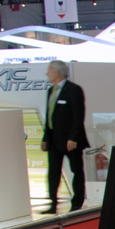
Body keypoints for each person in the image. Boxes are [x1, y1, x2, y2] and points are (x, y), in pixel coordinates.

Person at [39, 59, 88, 214]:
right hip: (54, 140)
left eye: (49, 70)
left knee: (76, 170)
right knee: (53, 171)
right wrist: (45, 138)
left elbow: (78, 116)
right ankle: (53, 203)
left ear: (57, 72)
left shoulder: (73, 90)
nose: (47, 73)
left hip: (70, 140)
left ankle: (77, 203)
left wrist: (73, 137)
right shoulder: (50, 91)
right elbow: (49, 116)